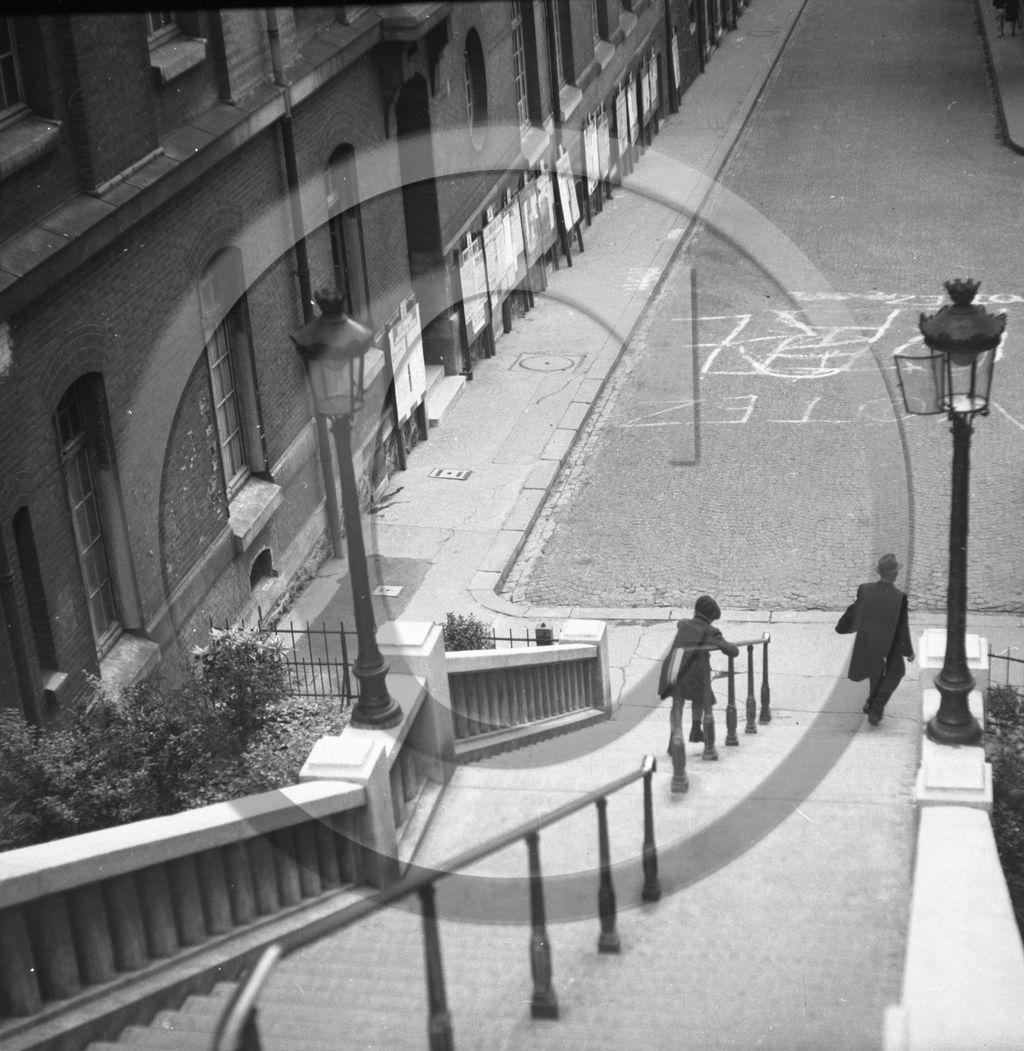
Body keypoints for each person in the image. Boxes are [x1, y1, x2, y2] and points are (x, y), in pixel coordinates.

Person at [659, 595, 739, 790]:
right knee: (701, 697)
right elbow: (732, 651)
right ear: (711, 618)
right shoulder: (710, 631)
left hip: (674, 666)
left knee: (677, 704)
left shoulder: (684, 625)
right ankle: (700, 734)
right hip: (694, 672)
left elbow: (680, 624)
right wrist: (718, 640)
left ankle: (674, 738)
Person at [836, 554, 914, 726]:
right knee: (897, 672)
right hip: (888, 644)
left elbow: (856, 612)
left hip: (867, 643)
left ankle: (873, 707)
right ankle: (875, 707)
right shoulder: (899, 597)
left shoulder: (865, 590)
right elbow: (902, 627)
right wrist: (908, 650)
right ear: (895, 575)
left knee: (875, 673)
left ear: (880, 573)